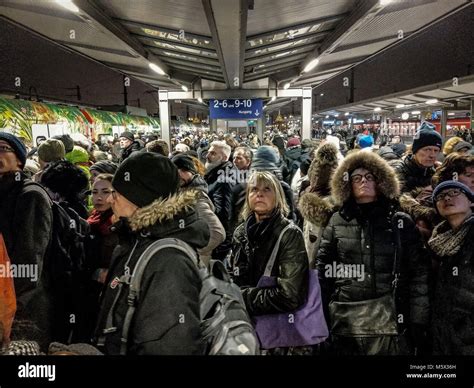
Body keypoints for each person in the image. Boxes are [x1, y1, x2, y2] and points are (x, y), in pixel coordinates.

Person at [94, 152, 209, 355]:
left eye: (116, 194)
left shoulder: (168, 260)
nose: (111, 200)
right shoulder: (136, 239)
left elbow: (170, 345)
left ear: (140, 198)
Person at [316, 151, 430, 355]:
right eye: (357, 178)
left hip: (392, 319)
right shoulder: (336, 221)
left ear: (381, 182)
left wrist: (418, 320)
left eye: (370, 177)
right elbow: (323, 271)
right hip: (346, 319)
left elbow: (419, 273)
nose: (363, 182)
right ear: (347, 184)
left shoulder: (399, 221)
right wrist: (322, 315)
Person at [231, 171, 309, 353]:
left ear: (278, 197)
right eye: (254, 189)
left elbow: (290, 296)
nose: (259, 194)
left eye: (267, 189)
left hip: (279, 336)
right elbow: (236, 275)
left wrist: (239, 296)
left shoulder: (289, 234)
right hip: (245, 329)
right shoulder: (241, 232)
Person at [0, 132, 53, 349]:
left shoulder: (29, 195)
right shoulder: (5, 193)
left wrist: (12, 307)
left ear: (20, 159)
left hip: (24, 309)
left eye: (2, 148)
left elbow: (29, 261)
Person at [428, 181, 474, 355]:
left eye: (455, 192)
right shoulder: (437, 242)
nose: (447, 198)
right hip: (445, 338)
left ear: (471, 201)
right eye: (440, 197)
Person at [172, 154, 225, 267]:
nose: (179, 174)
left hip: (196, 263)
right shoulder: (181, 192)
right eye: (176, 170)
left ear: (192, 172)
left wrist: (190, 252)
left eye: (184, 170)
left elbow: (218, 233)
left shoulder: (195, 197)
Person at [204, 141, 234, 260]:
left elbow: (223, 212)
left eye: (213, 153)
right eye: (208, 152)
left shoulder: (224, 179)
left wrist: (222, 242)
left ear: (224, 157)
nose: (207, 156)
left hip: (219, 239)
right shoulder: (214, 174)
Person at [395, 123, 442, 193]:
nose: (432, 155)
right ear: (415, 151)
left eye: (436, 150)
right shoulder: (399, 170)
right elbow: (399, 199)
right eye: (427, 150)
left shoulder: (436, 171)